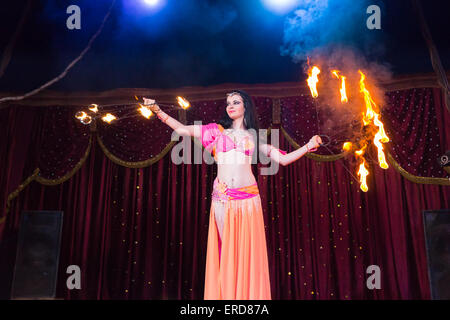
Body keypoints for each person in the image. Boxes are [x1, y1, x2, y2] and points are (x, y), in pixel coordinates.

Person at [143, 90, 321, 299]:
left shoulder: (254, 137)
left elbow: (283, 159)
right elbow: (181, 130)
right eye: (228, 103)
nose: (230, 105)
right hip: (223, 199)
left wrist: (308, 146)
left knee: (245, 256)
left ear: (246, 106)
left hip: (248, 200)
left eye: (236, 102)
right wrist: (156, 109)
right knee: (226, 252)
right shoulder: (215, 132)